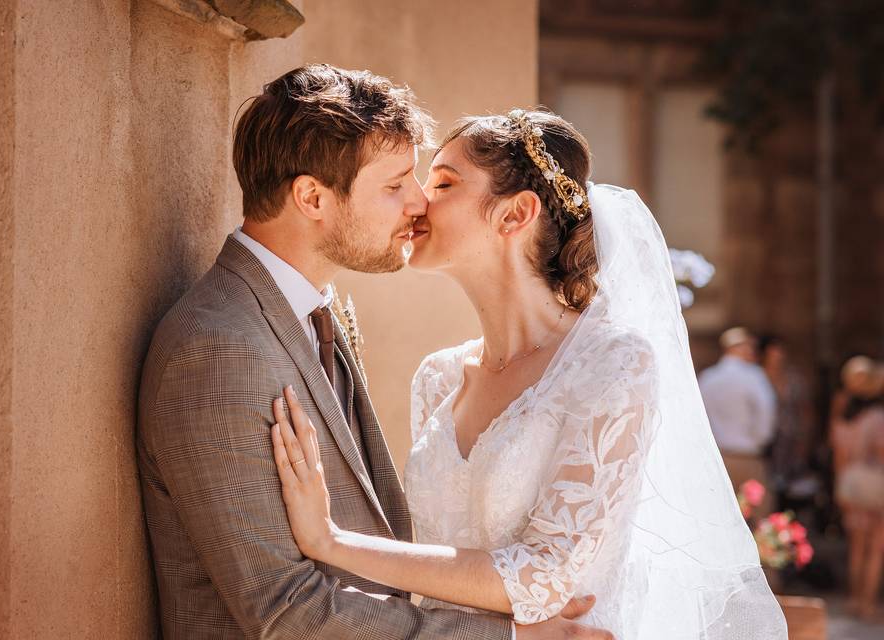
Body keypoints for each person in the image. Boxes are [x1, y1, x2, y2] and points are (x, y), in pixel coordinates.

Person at [269, 109, 788, 638]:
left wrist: (331, 542)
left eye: (443, 182)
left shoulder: (612, 365)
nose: (419, 201)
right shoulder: (438, 378)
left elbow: (543, 578)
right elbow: (433, 563)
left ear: (515, 214)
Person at [137, 65, 606, 639]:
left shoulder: (318, 312)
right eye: (394, 186)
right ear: (312, 196)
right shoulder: (220, 348)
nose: (419, 203)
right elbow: (287, 613)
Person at [699, 327, 778, 514]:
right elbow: (766, 413)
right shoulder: (754, 376)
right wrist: (759, 441)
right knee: (759, 519)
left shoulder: (708, 378)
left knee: (718, 515)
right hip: (747, 456)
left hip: (717, 457)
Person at [832, 358, 884, 619]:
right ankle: (868, 603)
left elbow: (838, 454)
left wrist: (840, 486)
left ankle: (853, 600)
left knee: (856, 545)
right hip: (875, 482)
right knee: (876, 545)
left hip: (849, 481)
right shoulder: (877, 417)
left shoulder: (841, 414)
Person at [759, 334, 815, 507]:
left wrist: (804, 439)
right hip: (766, 439)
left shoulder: (793, 379)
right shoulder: (757, 377)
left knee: (791, 486)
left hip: (791, 438)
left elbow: (805, 409)